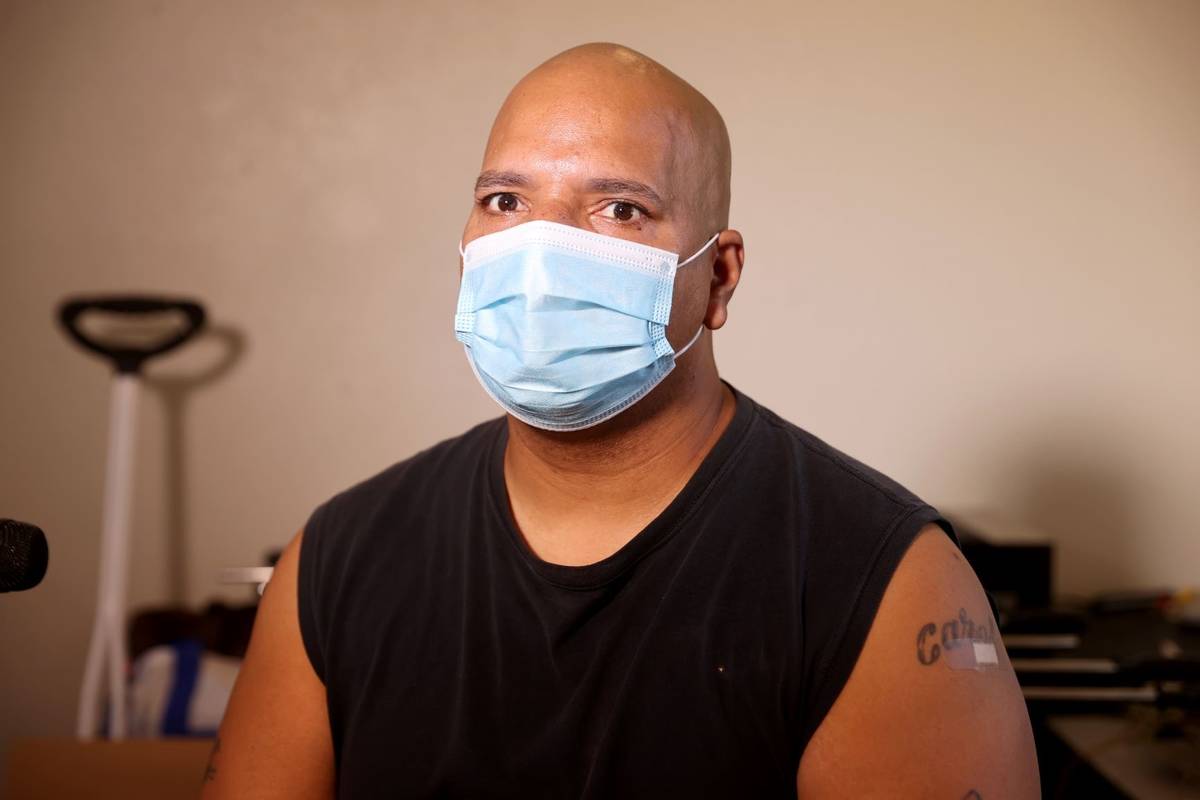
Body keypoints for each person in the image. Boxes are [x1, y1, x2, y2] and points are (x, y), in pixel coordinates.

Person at [203, 43, 1039, 798]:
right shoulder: (338, 561)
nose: (540, 254)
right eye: (504, 200)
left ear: (718, 277)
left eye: (619, 210)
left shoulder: (883, 585)